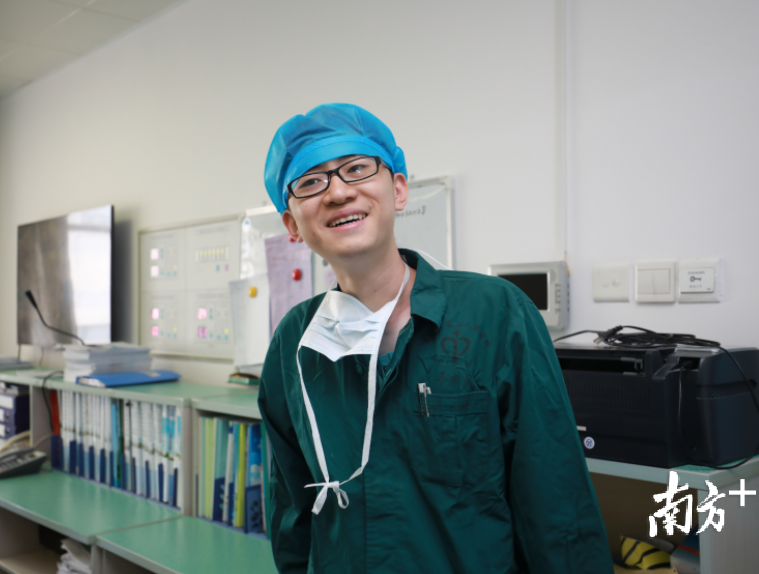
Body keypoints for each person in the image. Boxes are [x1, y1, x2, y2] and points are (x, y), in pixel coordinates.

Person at [258, 103, 612, 574]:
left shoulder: (494, 314)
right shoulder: (296, 343)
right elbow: (291, 508)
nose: (338, 192)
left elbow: (556, 501)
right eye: (310, 182)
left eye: (357, 168)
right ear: (292, 226)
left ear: (398, 190)